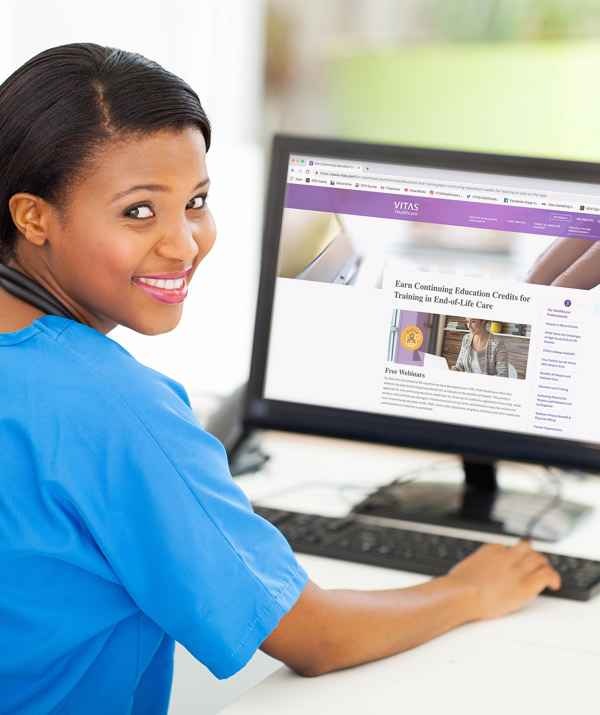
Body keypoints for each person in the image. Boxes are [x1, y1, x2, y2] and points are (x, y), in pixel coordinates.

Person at [0, 43, 560, 715]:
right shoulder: (115, 407)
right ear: (32, 216)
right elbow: (314, 636)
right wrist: (470, 589)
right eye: (139, 211)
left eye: (197, 201)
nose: (183, 243)